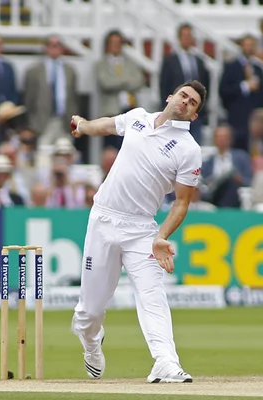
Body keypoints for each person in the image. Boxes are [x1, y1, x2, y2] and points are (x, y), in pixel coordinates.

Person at [69, 80, 207, 383]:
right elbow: (107, 125)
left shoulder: (189, 150)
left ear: (194, 115)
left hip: (142, 229)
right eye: (183, 95)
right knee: (89, 312)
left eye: (192, 102)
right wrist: (84, 125)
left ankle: (166, 362)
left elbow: (181, 203)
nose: (185, 102)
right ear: (171, 96)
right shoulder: (139, 118)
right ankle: (91, 342)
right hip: (103, 220)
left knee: (152, 294)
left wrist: (162, 237)